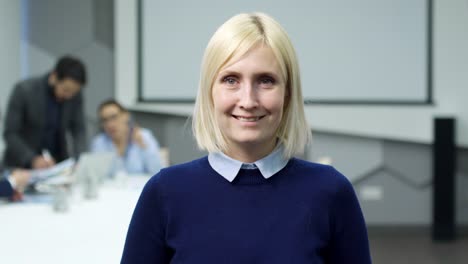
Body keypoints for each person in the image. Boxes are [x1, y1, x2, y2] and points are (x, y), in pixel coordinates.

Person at [121, 13, 371, 263]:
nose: (248, 101)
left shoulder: (331, 192)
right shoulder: (164, 192)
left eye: (266, 80)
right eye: (231, 80)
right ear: (210, 92)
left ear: (288, 94)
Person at [3, 55, 87, 169]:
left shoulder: (74, 96)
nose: (69, 96)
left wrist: (79, 159)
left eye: (73, 92)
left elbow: (79, 130)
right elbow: (10, 133)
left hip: (56, 165)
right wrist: (32, 159)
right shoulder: (25, 90)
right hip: (22, 165)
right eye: (65, 90)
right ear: (54, 76)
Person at [91, 99, 162, 175]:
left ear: (126, 116)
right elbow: (96, 176)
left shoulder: (144, 136)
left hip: (140, 186)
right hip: (111, 187)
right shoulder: (99, 142)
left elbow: (157, 173)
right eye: (105, 120)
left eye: (114, 117)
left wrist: (145, 148)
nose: (110, 124)